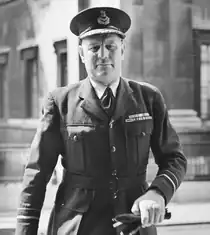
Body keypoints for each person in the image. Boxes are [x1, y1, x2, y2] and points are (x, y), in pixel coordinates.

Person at [15, 6, 187, 235]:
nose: (103, 55)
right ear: (81, 53)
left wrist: (158, 192)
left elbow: (174, 158)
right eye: (94, 47)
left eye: (111, 46)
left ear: (122, 49)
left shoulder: (148, 99)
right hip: (76, 226)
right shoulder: (61, 103)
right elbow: (37, 174)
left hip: (133, 224)